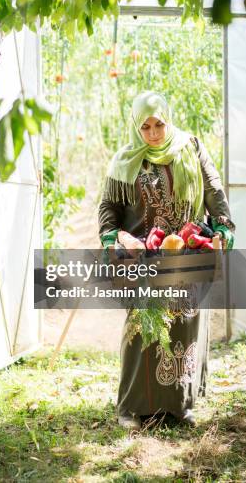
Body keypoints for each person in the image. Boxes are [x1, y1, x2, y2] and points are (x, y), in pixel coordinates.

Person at [98, 91, 235, 430]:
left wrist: (223, 226)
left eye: (159, 124)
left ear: (168, 120)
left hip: (186, 252)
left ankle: (180, 406)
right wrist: (110, 236)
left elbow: (213, 189)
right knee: (141, 329)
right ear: (135, 127)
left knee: (185, 326)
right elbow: (108, 208)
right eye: (145, 127)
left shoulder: (191, 147)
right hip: (143, 256)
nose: (154, 133)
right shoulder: (126, 160)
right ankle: (131, 408)